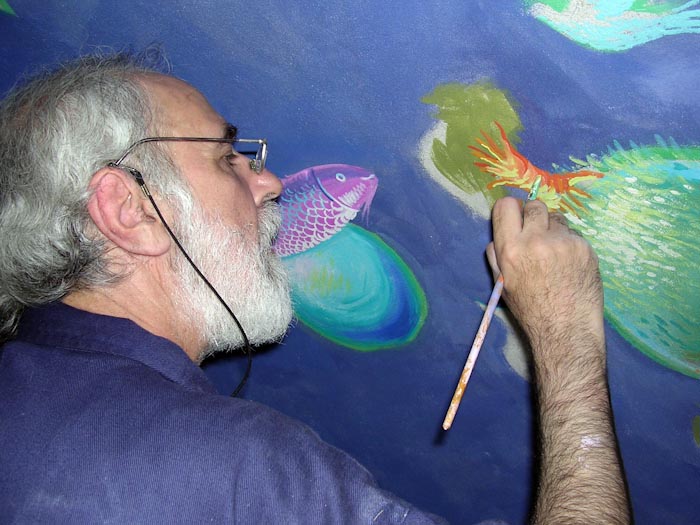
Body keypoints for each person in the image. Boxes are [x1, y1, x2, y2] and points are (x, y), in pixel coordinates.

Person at [0, 52, 630, 524]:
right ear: (129, 209)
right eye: (226, 158)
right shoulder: (234, 466)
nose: (270, 183)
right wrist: (566, 333)